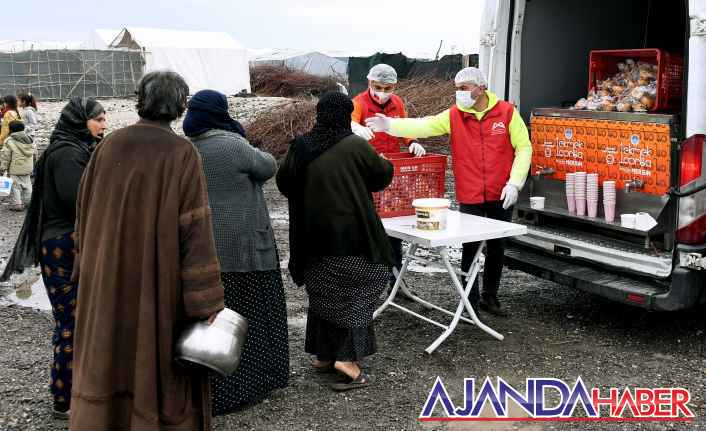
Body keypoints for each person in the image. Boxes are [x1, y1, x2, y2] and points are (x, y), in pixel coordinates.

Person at [69, 71, 224, 431]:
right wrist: (206, 303)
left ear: (140, 100)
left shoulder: (110, 145)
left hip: (105, 274)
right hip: (157, 281)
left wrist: (85, 266)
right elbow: (195, 231)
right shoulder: (182, 153)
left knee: (108, 350)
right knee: (153, 356)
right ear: (180, 107)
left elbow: (84, 212)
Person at [366, 67, 532, 316]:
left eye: (464, 88)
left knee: (497, 246)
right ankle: (469, 302)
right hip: (471, 193)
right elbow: (424, 125)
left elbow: (524, 147)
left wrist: (515, 182)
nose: (459, 93)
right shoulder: (455, 115)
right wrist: (390, 125)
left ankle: (490, 296)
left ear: (481, 88)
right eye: (457, 88)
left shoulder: (506, 113)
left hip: (501, 192)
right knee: (470, 247)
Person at [277, 92, 394, 392]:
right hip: (353, 238)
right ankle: (347, 359)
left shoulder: (301, 146)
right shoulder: (355, 145)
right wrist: (384, 161)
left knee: (324, 292)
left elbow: (283, 183)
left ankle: (324, 354)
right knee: (361, 288)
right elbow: (381, 177)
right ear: (345, 115)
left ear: (319, 114)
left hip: (312, 241)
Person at [0, 97, 106, 419]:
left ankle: (76, 393)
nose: (104, 124)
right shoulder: (68, 154)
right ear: (80, 120)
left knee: (75, 320)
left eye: (104, 119)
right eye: (98, 119)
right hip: (62, 245)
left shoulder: (71, 148)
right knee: (72, 322)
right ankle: (65, 398)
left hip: (63, 243)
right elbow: (79, 200)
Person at [184, 89, 289, 414]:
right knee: (252, 317)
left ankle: (212, 385)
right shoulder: (233, 144)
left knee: (214, 320)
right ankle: (253, 382)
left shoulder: (188, 149)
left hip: (204, 253)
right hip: (245, 250)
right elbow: (268, 166)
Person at [350, 63, 426, 278]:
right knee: (369, 221)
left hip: (392, 169)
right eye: (378, 87)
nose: (382, 93)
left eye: (388, 88)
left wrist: (412, 141)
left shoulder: (398, 103)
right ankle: (369, 275)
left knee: (394, 222)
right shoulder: (359, 102)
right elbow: (350, 121)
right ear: (369, 83)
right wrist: (356, 128)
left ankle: (395, 278)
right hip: (367, 168)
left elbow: (404, 127)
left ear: (394, 86)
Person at [0, 121, 36, 210]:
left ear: (11, 129)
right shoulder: (30, 139)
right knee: (27, 186)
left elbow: (6, 156)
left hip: (15, 168)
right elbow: (35, 153)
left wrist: (3, 168)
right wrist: (34, 163)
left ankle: (17, 205)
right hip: (28, 168)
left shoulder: (9, 141)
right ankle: (29, 202)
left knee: (15, 187)